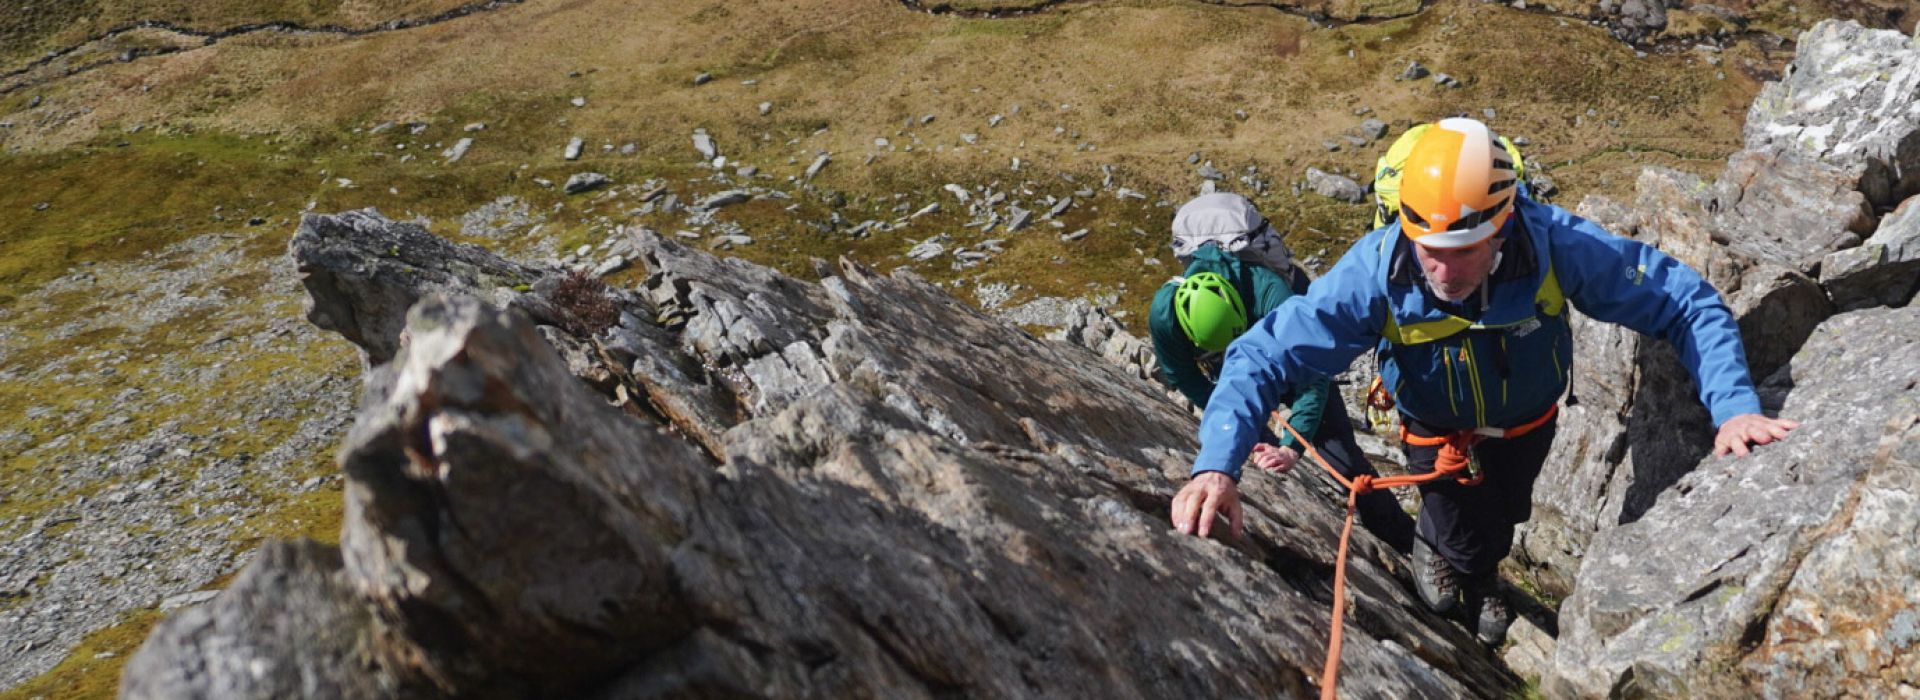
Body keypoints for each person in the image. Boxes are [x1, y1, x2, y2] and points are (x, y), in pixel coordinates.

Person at [1167, 119, 1797, 646]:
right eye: (1427, 246)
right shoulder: (1378, 271)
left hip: (1527, 426)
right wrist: (1216, 467)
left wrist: (1735, 406)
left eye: (1463, 248)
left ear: (1504, 220)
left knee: (1505, 514)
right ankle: (1454, 564)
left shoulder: (1554, 244)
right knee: (1454, 521)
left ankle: (1476, 565)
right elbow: (1261, 357)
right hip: (1432, 434)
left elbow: (1683, 301)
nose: (1441, 269)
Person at [1150, 193, 1414, 552]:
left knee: (1341, 454)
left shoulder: (1271, 292)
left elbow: (1315, 375)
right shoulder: (1165, 316)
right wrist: (1245, 429)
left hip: (1293, 348)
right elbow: (1183, 375)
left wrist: (1292, 446)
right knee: (1245, 428)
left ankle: (1406, 541)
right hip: (1240, 363)